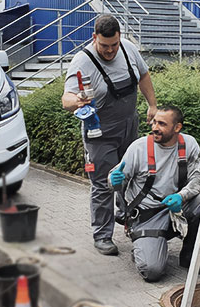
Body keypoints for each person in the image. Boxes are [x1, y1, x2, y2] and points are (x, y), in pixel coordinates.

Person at [62, 14, 157, 256]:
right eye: (105, 46)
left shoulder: (128, 49)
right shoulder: (82, 62)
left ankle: (127, 217)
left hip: (129, 125)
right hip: (100, 132)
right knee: (104, 183)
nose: (110, 51)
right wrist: (78, 100)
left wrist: (152, 105)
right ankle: (102, 235)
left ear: (120, 38)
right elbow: (66, 99)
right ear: (94, 38)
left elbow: (144, 76)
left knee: (130, 176)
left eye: (114, 44)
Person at [108, 105, 200, 282]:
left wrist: (181, 196)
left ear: (177, 128)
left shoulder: (189, 144)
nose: (155, 127)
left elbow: (199, 179)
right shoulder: (139, 148)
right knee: (152, 272)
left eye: (162, 124)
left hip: (176, 208)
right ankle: (141, 245)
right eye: (154, 122)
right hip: (147, 216)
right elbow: (113, 179)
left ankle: (189, 256)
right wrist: (114, 181)